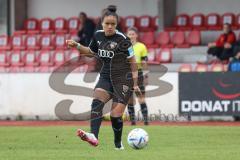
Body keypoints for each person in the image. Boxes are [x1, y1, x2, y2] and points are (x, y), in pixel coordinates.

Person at [66, 7, 141, 150]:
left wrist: (135, 83)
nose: (110, 26)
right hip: (106, 76)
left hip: (123, 79)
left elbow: (133, 62)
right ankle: (93, 135)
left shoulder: (123, 40)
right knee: (96, 103)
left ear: (116, 24)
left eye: (113, 24)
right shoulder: (97, 36)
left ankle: (118, 144)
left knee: (115, 115)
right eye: (107, 23)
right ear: (102, 23)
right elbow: (90, 53)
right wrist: (76, 45)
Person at [126, 27, 149, 125]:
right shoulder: (124, 46)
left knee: (141, 97)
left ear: (136, 35)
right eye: (129, 34)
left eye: (132, 34)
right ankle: (133, 121)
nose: (131, 36)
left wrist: (146, 74)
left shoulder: (142, 46)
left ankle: (146, 121)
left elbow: (144, 62)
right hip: (127, 73)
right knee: (129, 99)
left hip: (138, 73)